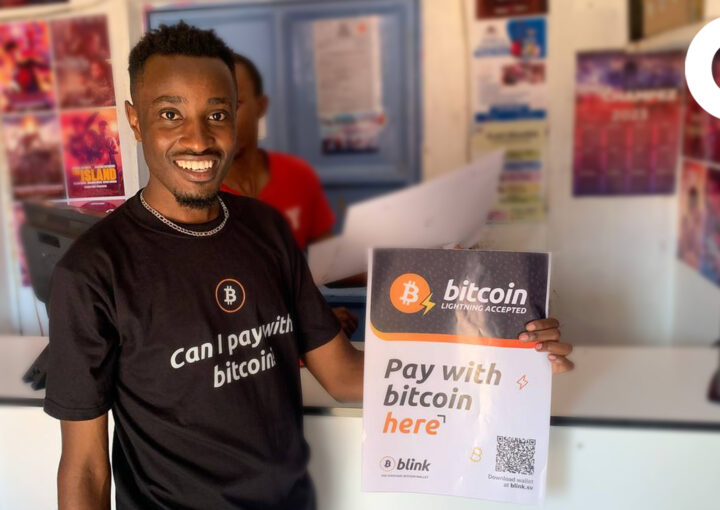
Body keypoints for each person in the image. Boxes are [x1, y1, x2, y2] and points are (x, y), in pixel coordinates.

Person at [44, 22, 573, 510]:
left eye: (218, 114)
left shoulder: (265, 230)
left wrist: (501, 352)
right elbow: (86, 467)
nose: (199, 139)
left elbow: (344, 376)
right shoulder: (93, 272)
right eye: (170, 114)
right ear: (135, 119)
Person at [221, 52, 357, 337]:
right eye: (213, 110)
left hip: (305, 353)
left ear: (260, 106)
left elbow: (330, 265)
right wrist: (306, 321)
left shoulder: (296, 175)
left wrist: (412, 265)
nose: (222, 120)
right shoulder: (196, 198)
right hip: (241, 355)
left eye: (233, 105)